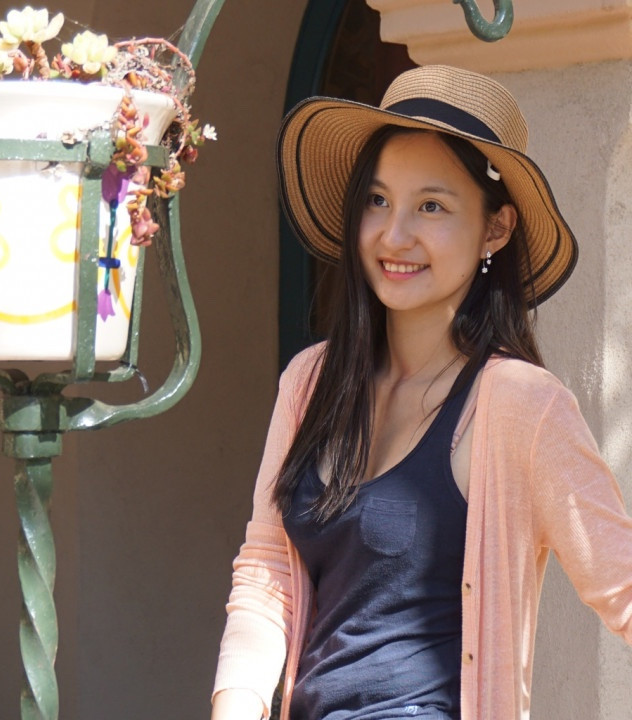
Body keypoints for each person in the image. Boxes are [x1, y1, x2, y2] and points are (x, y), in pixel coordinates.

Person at [210, 65, 632, 720]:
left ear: (496, 229)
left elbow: (623, 585)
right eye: (378, 200)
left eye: (431, 206)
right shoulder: (310, 383)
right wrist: (233, 705)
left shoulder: (521, 403)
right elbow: (267, 575)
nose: (394, 234)